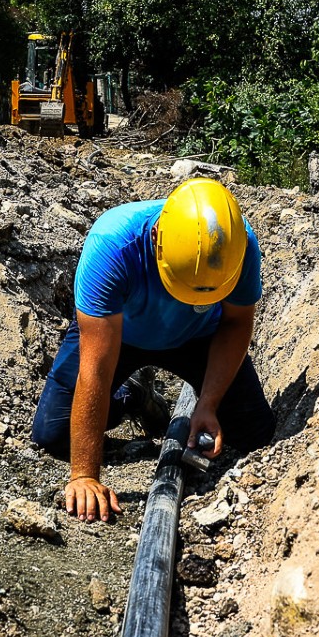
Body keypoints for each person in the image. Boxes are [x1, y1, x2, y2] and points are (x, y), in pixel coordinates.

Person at [31, 177, 275, 522]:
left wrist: (208, 403)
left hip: (198, 338)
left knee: (258, 435)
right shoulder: (113, 244)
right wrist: (84, 476)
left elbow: (235, 323)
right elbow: (96, 369)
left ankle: (177, 400)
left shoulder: (237, 246)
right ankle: (133, 395)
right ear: (157, 237)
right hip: (120, 336)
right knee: (53, 435)